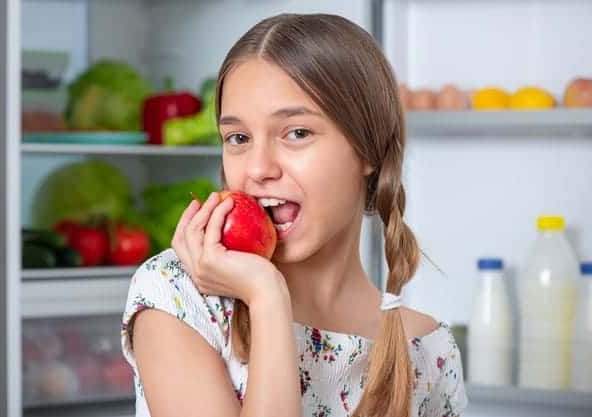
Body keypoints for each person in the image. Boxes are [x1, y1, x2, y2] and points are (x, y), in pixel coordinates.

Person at [121, 13, 468, 417]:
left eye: (296, 133)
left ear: (368, 151)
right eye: (238, 138)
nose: (257, 167)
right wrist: (266, 296)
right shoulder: (179, 295)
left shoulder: (429, 352)